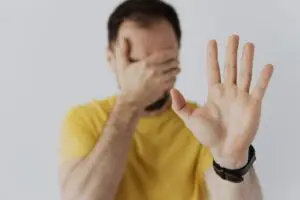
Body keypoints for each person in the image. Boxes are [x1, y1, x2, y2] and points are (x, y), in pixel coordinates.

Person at [59, 0, 274, 200]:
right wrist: (130, 103)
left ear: (178, 58)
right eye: (136, 63)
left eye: (163, 62)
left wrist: (232, 160)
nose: (150, 75)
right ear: (111, 59)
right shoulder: (85, 119)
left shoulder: (202, 123)